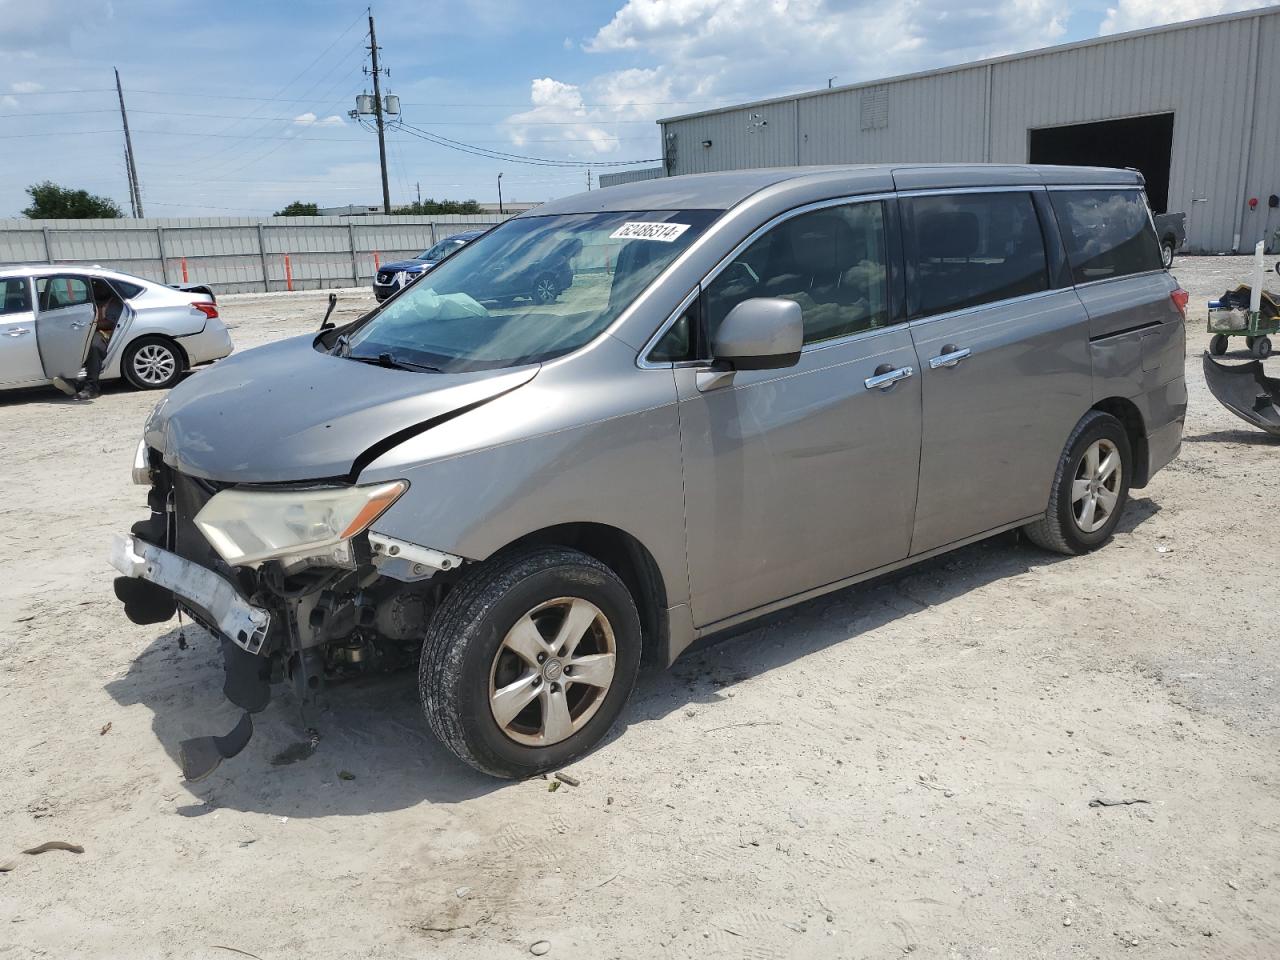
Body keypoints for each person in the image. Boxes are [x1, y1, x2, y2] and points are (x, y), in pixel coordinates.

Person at [51, 279, 121, 401]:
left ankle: (92, 388)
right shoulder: (90, 302)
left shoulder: (113, 303)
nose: (96, 289)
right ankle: (74, 382)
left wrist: (90, 325)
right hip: (88, 330)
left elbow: (110, 323)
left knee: (94, 347)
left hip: (103, 333)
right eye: (94, 286)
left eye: (99, 286)